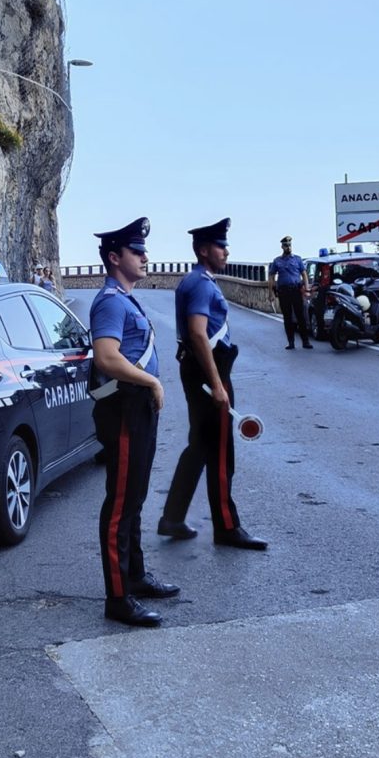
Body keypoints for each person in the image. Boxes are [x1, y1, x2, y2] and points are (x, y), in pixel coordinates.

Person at [89, 216, 179, 627]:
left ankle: (136, 576)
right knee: (121, 502)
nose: (145, 257)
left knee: (136, 496)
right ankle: (118, 596)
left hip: (136, 406)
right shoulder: (109, 301)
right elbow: (106, 358)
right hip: (124, 407)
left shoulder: (125, 298)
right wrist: (151, 382)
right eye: (137, 251)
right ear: (114, 257)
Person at [158, 218, 268, 551]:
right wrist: (218, 384)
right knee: (221, 453)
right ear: (205, 250)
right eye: (221, 246)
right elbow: (197, 332)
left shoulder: (195, 280)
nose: (226, 251)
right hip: (210, 373)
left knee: (199, 448)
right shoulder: (202, 284)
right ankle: (227, 527)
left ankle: (172, 517)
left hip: (198, 372)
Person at [268, 235, 313, 349]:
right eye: (286, 245)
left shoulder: (297, 259)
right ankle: (291, 342)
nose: (288, 247)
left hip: (296, 291)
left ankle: (305, 341)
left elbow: (304, 274)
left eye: (290, 245)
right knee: (287, 318)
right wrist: (271, 293)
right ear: (282, 247)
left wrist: (307, 289)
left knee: (301, 317)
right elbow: (271, 277)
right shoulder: (277, 261)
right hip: (283, 292)